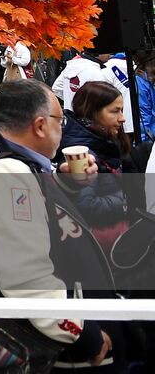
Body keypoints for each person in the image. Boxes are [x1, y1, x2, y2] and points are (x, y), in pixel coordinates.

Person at [0, 79, 112, 373]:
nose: (63, 129)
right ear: (39, 125)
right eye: (60, 121)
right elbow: (28, 279)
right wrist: (85, 336)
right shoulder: (8, 173)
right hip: (39, 349)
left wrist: (63, 184)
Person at [58, 79, 132, 250]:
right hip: (103, 245)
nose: (122, 118)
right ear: (92, 112)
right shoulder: (84, 155)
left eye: (121, 110)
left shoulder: (106, 142)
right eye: (115, 111)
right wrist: (128, 199)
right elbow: (86, 206)